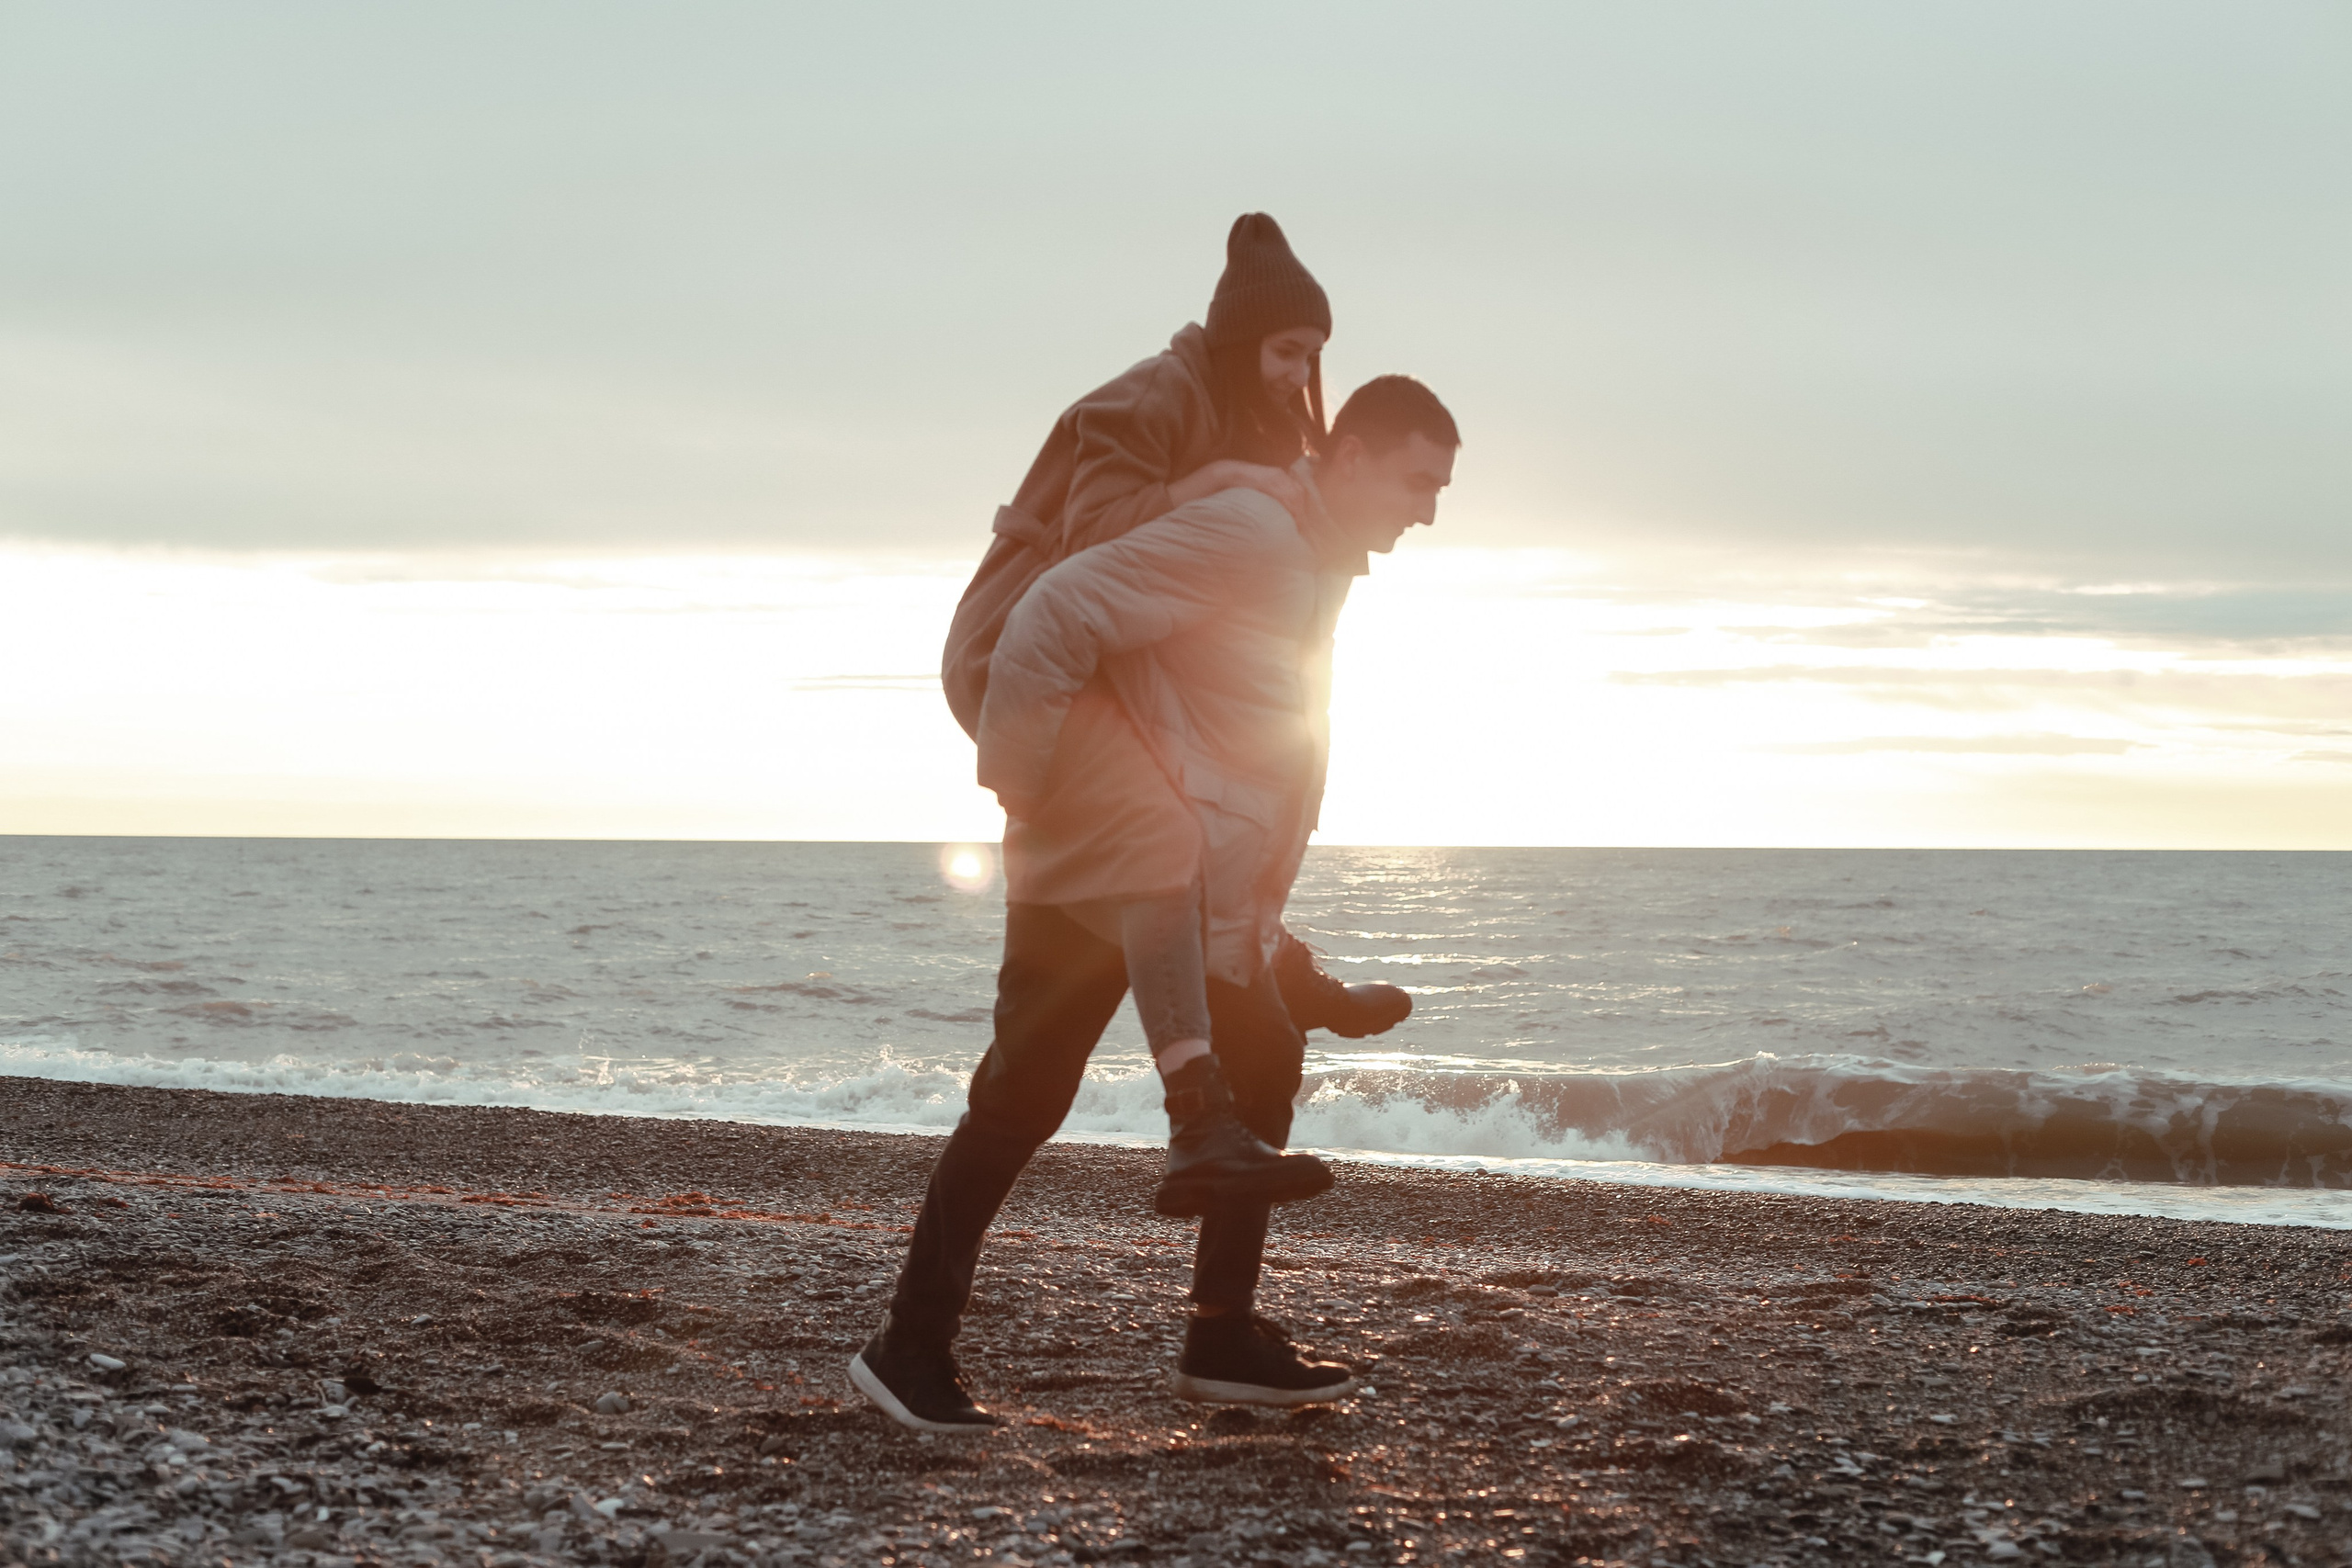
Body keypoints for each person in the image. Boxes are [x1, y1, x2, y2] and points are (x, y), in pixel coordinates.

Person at [852, 375, 1462, 1433]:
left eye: (1442, 488)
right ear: (1351, 455)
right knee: (1020, 1102)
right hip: (1101, 872)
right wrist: (1035, 792)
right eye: (1418, 479)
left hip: (1182, 894)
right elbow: (1058, 610)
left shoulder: (1314, 562)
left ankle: (1220, 1332)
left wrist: (1260, 922)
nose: (1429, 508)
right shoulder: (1254, 534)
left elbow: (1242, 745)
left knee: (1265, 1057)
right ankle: (907, 1349)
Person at [938, 212, 1412, 1042]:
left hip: (1112, 652)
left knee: (1241, 799)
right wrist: (1220, 478)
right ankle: (1267, 1007)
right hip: (1013, 646)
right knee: (1170, 833)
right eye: (1284, 352)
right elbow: (1084, 547)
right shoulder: (1159, 393)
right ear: (1240, 345)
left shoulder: (1260, 418)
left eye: (1312, 355)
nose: (1299, 373)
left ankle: (1281, 971)